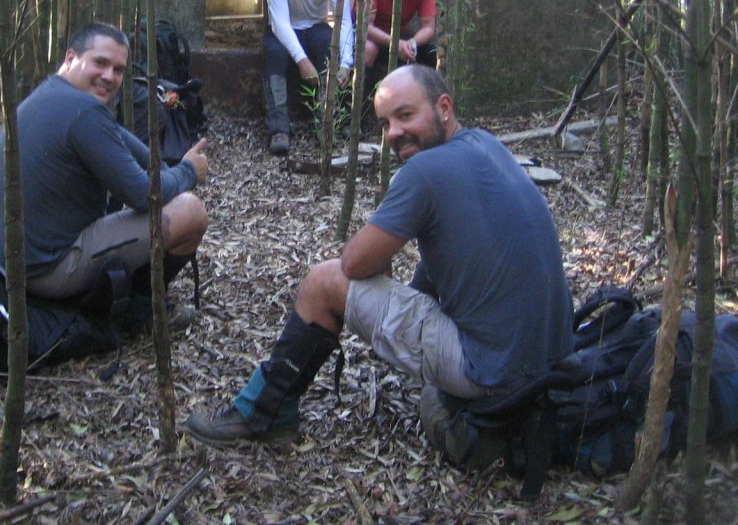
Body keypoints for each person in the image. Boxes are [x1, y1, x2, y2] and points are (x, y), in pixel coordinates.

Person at [183, 65, 574, 457]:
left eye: (406, 116)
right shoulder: (487, 145)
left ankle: (262, 414)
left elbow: (352, 266)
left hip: (493, 373)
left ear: (443, 107)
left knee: (323, 282)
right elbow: (445, 267)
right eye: (385, 124)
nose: (394, 134)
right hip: (548, 368)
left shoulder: (424, 170)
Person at [0, 22, 209, 326]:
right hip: (44, 272)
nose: (109, 77)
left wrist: (168, 171)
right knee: (190, 211)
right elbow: (144, 195)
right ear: (71, 57)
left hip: (5, 262)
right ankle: (138, 313)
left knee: (166, 193)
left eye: (118, 69)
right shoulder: (83, 112)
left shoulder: (54, 93)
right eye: (100, 63)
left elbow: (123, 142)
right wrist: (188, 171)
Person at [263, 0, 355, 156]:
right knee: (274, 52)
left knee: (326, 44)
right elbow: (280, 22)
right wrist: (302, 61)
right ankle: (278, 128)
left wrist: (345, 63)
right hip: (285, 29)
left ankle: (329, 119)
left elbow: (343, 19)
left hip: (315, 25)